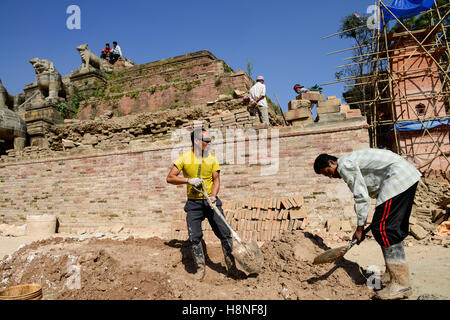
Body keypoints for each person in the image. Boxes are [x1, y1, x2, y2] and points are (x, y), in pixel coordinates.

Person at [313, 148, 421, 300]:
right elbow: (371, 189)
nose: (331, 177)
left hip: (398, 179)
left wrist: (360, 227)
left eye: (328, 172)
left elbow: (361, 196)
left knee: (385, 229)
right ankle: (393, 275)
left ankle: (401, 284)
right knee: (383, 227)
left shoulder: (344, 165)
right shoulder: (351, 161)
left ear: (332, 162)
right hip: (403, 178)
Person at [166, 128, 239, 280]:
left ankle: (232, 268)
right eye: (206, 141)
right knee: (195, 237)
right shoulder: (184, 158)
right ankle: (200, 269)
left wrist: (213, 196)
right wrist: (188, 180)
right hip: (193, 203)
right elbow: (170, 178)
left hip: (210, 202)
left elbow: (216, 180)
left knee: (225, 234)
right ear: (197, 142)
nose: (209, 143)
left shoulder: (212, 159)